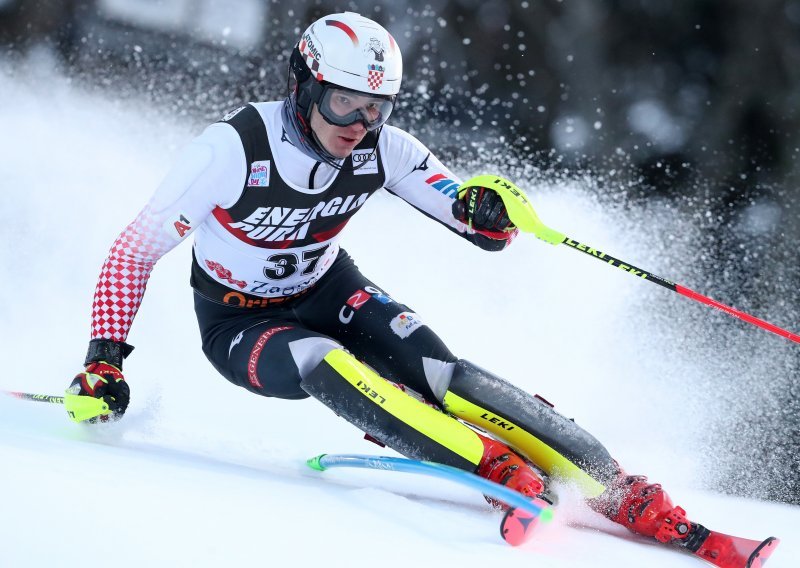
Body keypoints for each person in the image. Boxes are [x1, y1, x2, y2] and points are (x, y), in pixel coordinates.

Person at [66, 11, 745, 561]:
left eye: (376, 109)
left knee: (441, 374)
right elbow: (133, 251)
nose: (358, 127)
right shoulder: (233, 148)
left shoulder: (383, 147)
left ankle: (624, 490)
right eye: (343, 104)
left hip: (331, 289)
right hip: (240, 322)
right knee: (321, 361)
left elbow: (470, 214)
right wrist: (103, 360)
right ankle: (497, 470)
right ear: (302, 84)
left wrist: (487, 214)